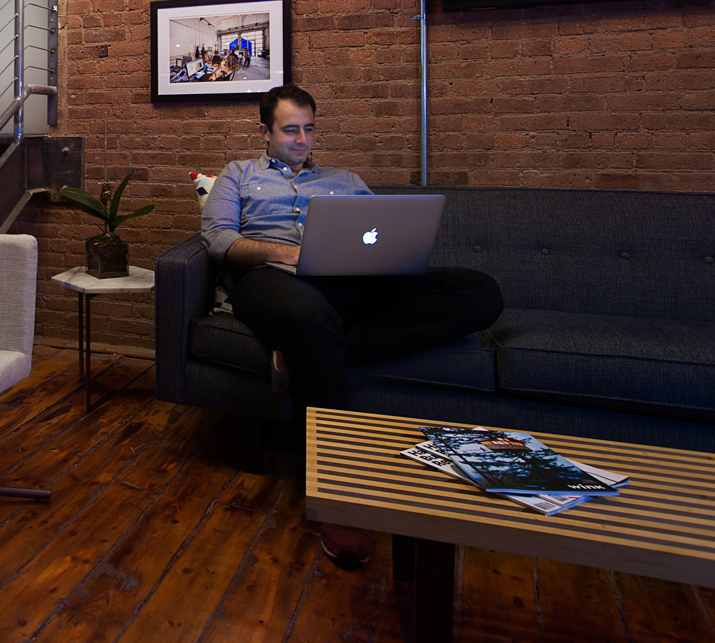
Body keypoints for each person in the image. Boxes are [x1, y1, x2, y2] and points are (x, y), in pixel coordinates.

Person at [200, 83, 503, 566]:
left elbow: (381, 234)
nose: (302, 140)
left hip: (346, 285)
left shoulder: (346, 180)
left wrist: (387, 259)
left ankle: (305, 353)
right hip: (269, 281)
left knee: (479, 290)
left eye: (309, 130)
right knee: (307, 313)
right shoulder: (237, 176)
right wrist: (291, 254)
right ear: (265, 131)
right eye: (290, 130)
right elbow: (219, 241)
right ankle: (337, 495)